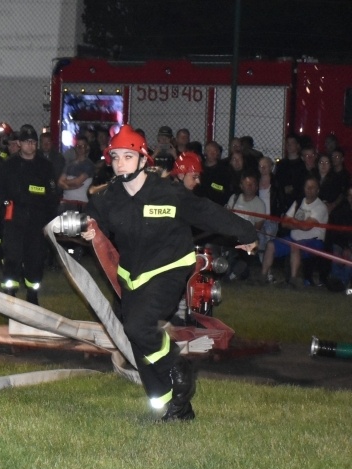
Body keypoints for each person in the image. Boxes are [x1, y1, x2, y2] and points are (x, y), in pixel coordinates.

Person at [81, 125, 257, 421]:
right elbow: (92, 219)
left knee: (138, 326)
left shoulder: (167, 193)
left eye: (127, 156)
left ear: (142, 159)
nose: (120, 163)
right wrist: (86, 228)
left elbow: (207, 212)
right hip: (132, 274)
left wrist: (246, 232)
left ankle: (178, 366)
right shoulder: (109, 197)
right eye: (115, 157)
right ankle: (175, 407)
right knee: (138, 338)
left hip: (169, 267)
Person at [0, 124, 59, 304]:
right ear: (19, 143)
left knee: (35, 258)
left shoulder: (45, 166)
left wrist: (50, 222)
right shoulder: (9, 165)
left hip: (37, 219)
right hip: (14, 217)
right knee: (12, 256)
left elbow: (52, 196)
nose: (30, 145)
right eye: (27, 142)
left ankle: (32, 295)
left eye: (33, 142)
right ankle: (10, 293)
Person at [259, 176, 328, 288]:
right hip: (294, 239)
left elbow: (306, 227)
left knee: (295, 246)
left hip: (313, 242)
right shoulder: (298, 202)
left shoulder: (320, 207)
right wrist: (299, 223)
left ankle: (293, 280)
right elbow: (284, 223)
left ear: (318, 190)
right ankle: (262, 277)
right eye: (307, 187)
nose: (309, 189)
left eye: (313, 187)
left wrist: (293, 220)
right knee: (271, 245)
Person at [225, 174, 266, 281]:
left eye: (252, 184)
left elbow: (258, 227)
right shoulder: (234, 198)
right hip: (231, 236)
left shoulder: (260, 204)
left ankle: (236, 273)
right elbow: (226, 217)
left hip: (247, 238)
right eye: (247, 184)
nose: (249, 186)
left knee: (251, 252)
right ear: (241, 186)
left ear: (256, 187)